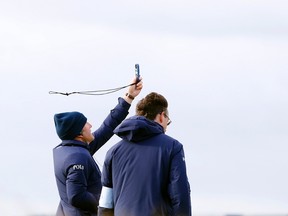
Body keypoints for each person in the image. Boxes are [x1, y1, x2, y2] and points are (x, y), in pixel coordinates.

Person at [52, 76, 143, 216]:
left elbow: (107, 128)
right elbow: (76, 196)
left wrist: (129, 97)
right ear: (79, 134)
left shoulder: (70, 149)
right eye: (86, 124)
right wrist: (106, 203)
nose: (90, 125)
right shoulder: (78, 156)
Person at [98, 92, 192, 216]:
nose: (166, 127)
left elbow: (106, 202)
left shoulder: (113, 152)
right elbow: (179, 194)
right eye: (167, 121)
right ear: (161, 116)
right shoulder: (173, 147)